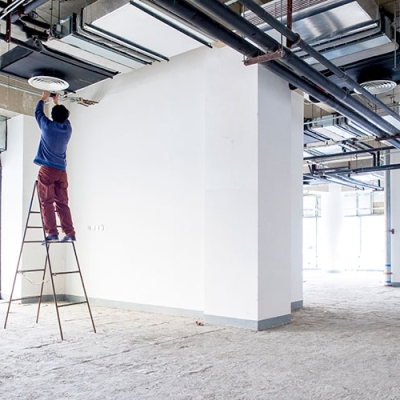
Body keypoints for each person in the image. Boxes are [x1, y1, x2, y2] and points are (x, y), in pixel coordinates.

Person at [34, 91, 76, 243]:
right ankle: (70, 233)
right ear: (66, 117)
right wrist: (55, 102)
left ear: (52, 116)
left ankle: (52, 233)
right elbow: (61, 117)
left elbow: (38, 113)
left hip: (48, 170)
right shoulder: (68, 129)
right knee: (62, 203)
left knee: (47, 202)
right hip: (62, 172)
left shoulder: (47, 127)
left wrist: (44, 99)